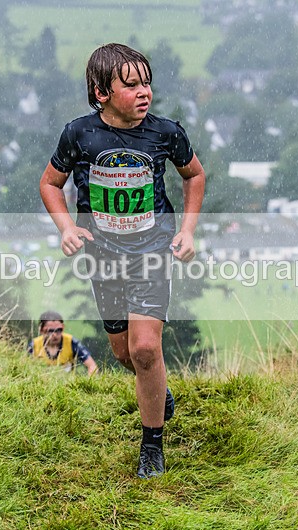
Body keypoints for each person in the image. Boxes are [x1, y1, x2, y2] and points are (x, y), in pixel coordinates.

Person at [39, 43, 206, 478]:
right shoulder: (78, 135)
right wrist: (67, 228)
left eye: (147, 82)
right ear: (101, 92)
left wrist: (186, 231)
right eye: (130, 85)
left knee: (146, 348)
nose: (143, 92)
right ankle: (158, 391)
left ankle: (152, 446)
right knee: (123, 353)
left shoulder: (167, 132)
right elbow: (50, 184)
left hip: (152, 250)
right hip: (103, 257)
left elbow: (195, 175)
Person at [28, 310, 99, 377]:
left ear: (63, 327)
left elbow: (92, 366)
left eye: (59, 330)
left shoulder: (71, 342)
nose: (55, 334)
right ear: (41, 330)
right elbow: (26, 371)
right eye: (50, 331)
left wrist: (89, 384)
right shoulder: (34, 345)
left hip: (68, 386)